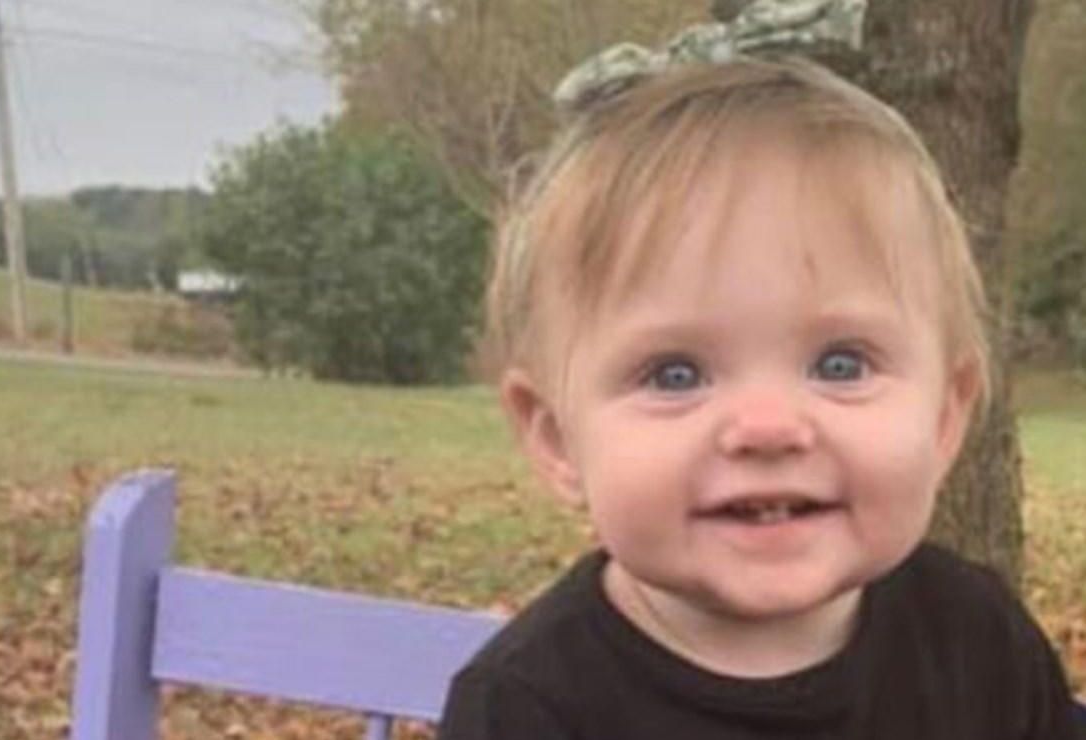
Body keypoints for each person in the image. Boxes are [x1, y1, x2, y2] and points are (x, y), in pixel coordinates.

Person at [437, 57, 1083, 739]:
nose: (768, 428)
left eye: (840, 365)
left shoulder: (978, 640)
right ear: (558, 439)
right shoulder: (526, 707)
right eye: (675, 375)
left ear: (944, 419)